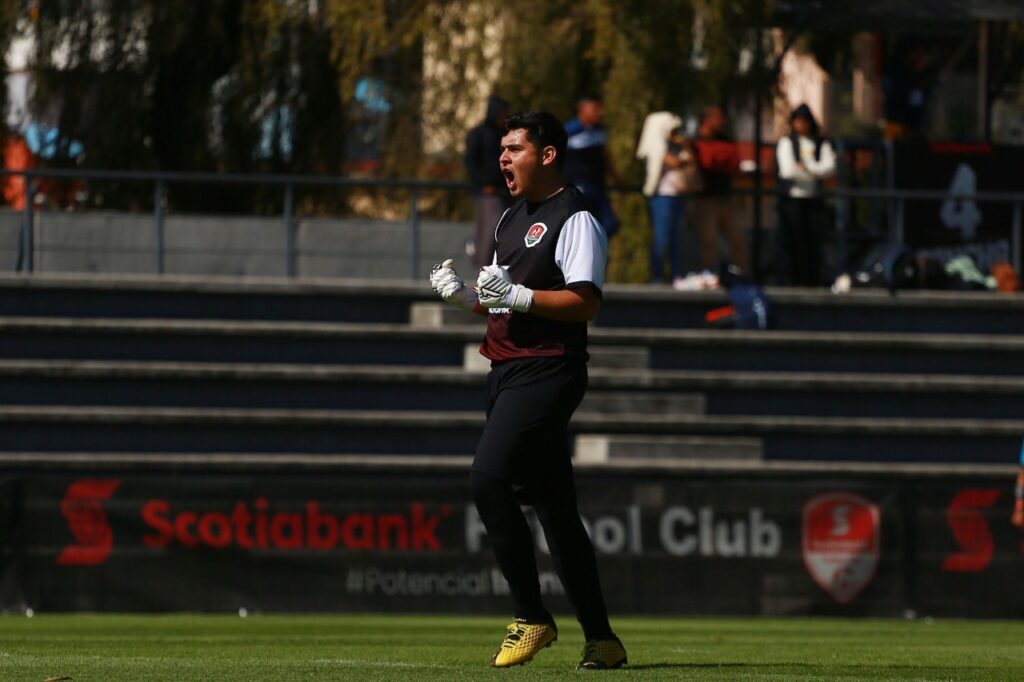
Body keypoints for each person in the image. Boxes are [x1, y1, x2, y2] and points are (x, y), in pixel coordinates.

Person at [429, 110, 626, 671]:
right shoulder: (510, 217)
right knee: (556, 511)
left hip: (548, 369)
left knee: (488, 478)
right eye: (502, 149)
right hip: (507, 369)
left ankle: (531, 617)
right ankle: (603, 639)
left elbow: (585, 300)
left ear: (548, 155)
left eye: (514, 148)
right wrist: (466, 295)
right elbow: (501, 295)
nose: (502, 158)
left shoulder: (576, 216)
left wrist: (517, 298)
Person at [775, 103, 836, 287]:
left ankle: (811, 280)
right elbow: (787, 171)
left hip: (814, 199)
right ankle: (791, 280)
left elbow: (829, 168)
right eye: (798, 121)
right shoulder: (787, 143)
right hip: (792, 199)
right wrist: (815, 171)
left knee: (813, 242)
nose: (801, 125)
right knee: (794, 241)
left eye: (805, 121)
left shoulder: (820, 143)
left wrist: (807, 167)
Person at [636, 112, 699, 286]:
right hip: (662, 197)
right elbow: (674, 163)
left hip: (678, 196)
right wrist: (680, 159)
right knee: (661, 238)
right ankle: (656, 276)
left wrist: (684, 145)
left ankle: (675, 275)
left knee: (676, 238)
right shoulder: (655, 148)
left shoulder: (677, 146)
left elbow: (691, 161)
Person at [691, 105, 748, 280]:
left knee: (736, 238)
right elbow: (706, 163)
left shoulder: (726, 139)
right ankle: (708, 273)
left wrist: (719, 159)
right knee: (708, 240)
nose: (721, 121)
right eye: (717, 117)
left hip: (726, 197)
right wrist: (719, 159)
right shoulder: (695, 142)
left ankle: (741, 275)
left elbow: (735, 163)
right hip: (705, 198)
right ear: (707, 119)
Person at [564, 94, 621, 240]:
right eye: (596, 108)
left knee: (610, 224)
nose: (600, 112)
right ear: (582, 109)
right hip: (579, 187)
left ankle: (597, 253)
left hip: (598, 186)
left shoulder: (599, 130)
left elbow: (605, 156)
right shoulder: (570, 130)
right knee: (583, 228)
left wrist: (616, 178)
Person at [465, 95, 512, 266]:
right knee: (491, 228)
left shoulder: (503, 134)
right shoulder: (479, 134)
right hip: (489, 193)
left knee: (503, 230)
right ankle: (483, 267)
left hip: (506, 191)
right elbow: (471, 163)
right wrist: (482, 185)